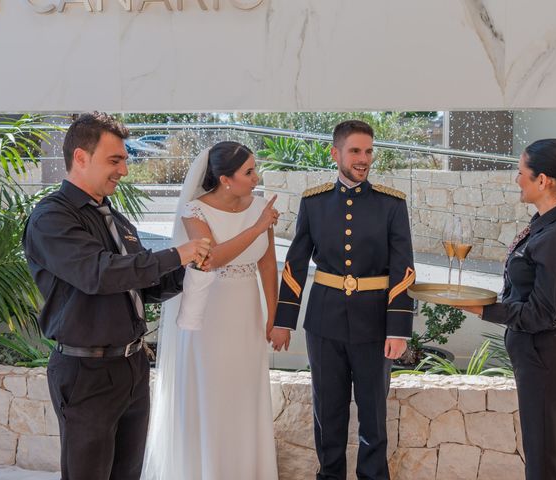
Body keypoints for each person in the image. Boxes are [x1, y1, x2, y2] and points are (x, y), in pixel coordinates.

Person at [22, 112, 211, 480]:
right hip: (86, 373)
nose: (124, 170)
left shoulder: (118, 221)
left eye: (124, 159)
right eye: (115, 160)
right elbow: (98, 274)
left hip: (132, 367)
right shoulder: (51, 218)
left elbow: (145, 286)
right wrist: (178, 254)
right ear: (80, 157)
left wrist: (189, 271)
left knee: (128, 473)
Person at [270, 120, 415, 480]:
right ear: (335, 153)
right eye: (355, 151)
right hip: (324, 323)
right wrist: (283, 320)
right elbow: (295, 264)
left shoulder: (391, 205)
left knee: (373, 418)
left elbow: (403, 269)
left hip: (375, 323)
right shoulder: (314, 202)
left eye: (368, 151)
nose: (363, 159)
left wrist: (398, 328)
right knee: (328, 414)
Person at [457, 138, 556, 480]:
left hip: (547, 358)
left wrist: (480, 308)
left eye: (521, 172)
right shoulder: (548, 226)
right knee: (544, 458)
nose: (516, 179)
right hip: (542, 354)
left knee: (543, 464)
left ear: (543, 180)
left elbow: (539, 313)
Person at [142, 141, 280, 480]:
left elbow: (267, 264)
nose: (256, 176)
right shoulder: (195, 212)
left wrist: (274, 317)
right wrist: (258, 227)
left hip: (247, 312)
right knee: (214, 393)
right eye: (249, 171)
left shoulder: (260, 206)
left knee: (246, 393)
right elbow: (211, 259)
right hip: (211, 316)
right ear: (225, 179)